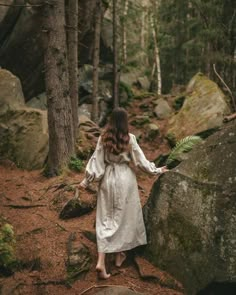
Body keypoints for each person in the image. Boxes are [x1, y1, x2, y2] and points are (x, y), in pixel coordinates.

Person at [79, 107, 168, 279]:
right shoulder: (130, 139)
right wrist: (156, 170)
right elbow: (141, 162)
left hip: (107, 181)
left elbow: (96, 162)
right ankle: (120, 255)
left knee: (106, 218)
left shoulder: (103, 138)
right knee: (125, 217)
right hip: (126, 180)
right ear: (125, 121)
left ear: (111, 120)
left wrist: (86, 180)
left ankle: (103, 261)